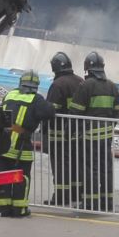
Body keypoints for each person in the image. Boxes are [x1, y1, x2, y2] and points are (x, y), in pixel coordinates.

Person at [0, 72, 53, 218]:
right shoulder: (36, 99)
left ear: (21, 83)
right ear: (36, 86)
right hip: (20, 146)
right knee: (21, 178)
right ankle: (19, 210)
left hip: (1, 144)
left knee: (3, 176)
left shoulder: (9, 95)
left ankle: (3, 208)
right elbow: (50, 112)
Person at [71, 51, 119, 211]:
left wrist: (74, 131)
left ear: (87, 68)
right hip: (106, 137)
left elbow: (75, 112)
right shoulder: (112, 86)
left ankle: (90, 203)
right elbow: (116, 113)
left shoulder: (86, 86)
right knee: (105, 169)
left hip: (88, 137)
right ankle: (107, 203)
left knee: (90, 169)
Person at [44, 51, 85, 207]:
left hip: (59, 134)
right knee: (75, 164)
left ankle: (61, 197)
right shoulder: (80, 81)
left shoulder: (58, 85)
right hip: (77, 134)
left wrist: (45, 129)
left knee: (60, 166)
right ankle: (76, 194)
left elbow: (51, 110)